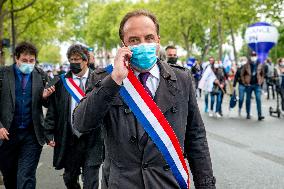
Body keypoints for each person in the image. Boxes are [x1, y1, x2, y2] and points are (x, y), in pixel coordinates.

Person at [73, 9, 215, 189]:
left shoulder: (181, 79)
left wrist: (206, 185)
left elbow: (196, 137)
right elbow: (81, 124)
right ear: (123, 44)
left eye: (149, 38)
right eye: (134, 40)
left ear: (158, 41)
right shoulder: (104, 78)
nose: (143, 44)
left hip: (168, 182)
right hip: (122, 184)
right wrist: (114, 80)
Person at [44, 44, 103, 189]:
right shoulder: (61, 82)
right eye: (71, 59)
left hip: (93, 138)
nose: (74, 62)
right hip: (70, 138)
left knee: (91, 180)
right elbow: (53, 110)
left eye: (77, 59)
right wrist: (49, 132)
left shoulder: (99, 80)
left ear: (86, 61)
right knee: (69, 178)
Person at [0, 42, 55, 189]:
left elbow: (49, 105)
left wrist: (45, 97)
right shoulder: (3, 75)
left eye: (32, 61)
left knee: (26, 177)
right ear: (16, 59)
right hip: (7, 136)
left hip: (32, 135)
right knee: (10, 177)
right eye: (24, 60)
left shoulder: (41, 75)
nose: (28, 64)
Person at [241, 51, 265, 121]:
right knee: (248, 100)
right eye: (252, 56)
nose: (253, 57)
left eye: (254, 55)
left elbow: (262, 74)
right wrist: (244, 82)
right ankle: (248, 114)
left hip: (257, 85)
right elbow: (242, 74)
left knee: (258, 99)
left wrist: (261, 81)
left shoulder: (260, 64)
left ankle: (259, 115)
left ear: (256, 56)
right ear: (250, 57)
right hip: (249, 85)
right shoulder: (246, 65)